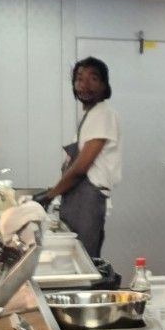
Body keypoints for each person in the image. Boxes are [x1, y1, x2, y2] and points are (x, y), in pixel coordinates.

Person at [37, 57, 119, 259]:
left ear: (104, 85)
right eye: (80, 79)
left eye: (93, 79)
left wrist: (49, 195)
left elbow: (81, 167)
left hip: (87, 202)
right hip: (78, 200)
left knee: (84, 260)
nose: (85, 85)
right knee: (79, 257)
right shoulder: (91, 116)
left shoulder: (103, 114)